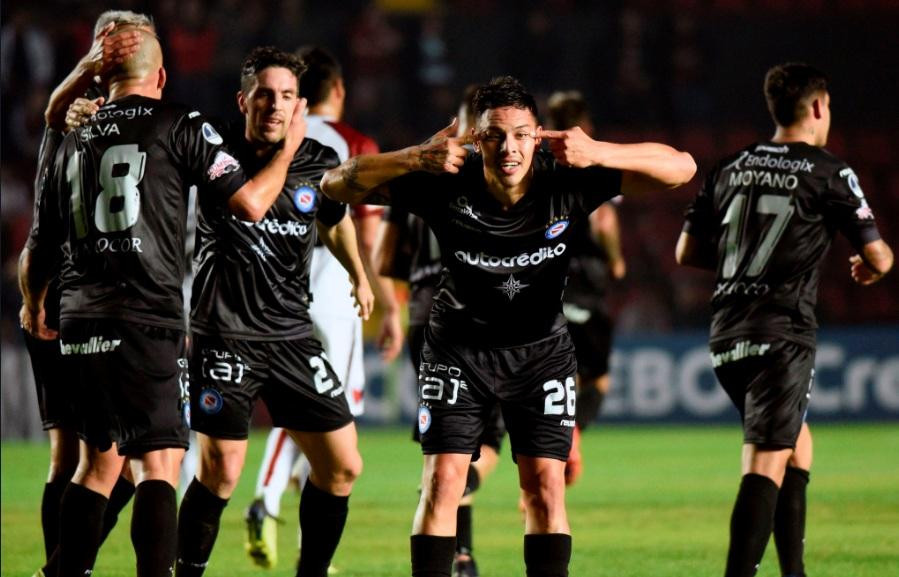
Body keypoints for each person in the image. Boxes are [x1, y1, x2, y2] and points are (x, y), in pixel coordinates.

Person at [322, 75, 696, 577]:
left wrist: (598, 150)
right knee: (443, 483)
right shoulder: (443, 180)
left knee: (544, 488)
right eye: (495, 135)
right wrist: (413, 156)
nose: (509, 148)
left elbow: (682, 169)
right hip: (458, 351)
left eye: (521, 134)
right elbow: (335, 184)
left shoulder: (565, 179)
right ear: (476, 139)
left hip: (541, 355)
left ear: (538, 134)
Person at [19, 24, 306, 577]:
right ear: (162, 75)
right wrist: (290, 148)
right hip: (144, 318)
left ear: (103, 76)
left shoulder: (71, 133)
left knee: (95, 466)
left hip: (79, 319)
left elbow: (40, 242)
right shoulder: (181, 123)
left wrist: (35, 305)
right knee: (160, 465)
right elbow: (251, 203)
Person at [675, 62, 893, 577]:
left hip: (726, 333)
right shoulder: (829, 171)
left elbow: (687, 250)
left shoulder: (729, 166)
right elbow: (880, 257)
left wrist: (742, 265)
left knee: (798, 445)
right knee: (766, 461)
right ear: (818, 107)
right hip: (782, 332)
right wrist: (871, 265)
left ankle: (793, 571)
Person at [175, 47, 371, 577]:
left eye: (286, 96)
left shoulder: (320, 160)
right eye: (264, 94)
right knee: (220, 472)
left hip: (290, 335)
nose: (275, 105)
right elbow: (256, 202)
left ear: (300, 103)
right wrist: (286, 150)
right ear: (243, 100)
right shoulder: (218, 153)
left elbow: (334, 218)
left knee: (342, 466)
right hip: (226, 333)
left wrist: (358, 271)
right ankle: (186, 570)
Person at [243, 45, 402, 570]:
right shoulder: (353, 144)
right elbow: (366, 226)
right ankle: (301, 541)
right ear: (338, 91)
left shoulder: (253, 137)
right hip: (331, 290)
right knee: (330, 415)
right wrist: (379, 294)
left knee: (296, 413)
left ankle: (268, 500)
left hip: (266, 293)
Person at [16, 14, 146, 576]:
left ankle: (63, 564)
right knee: (110, 462)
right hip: (78, 299)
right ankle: (64, 565)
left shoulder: (82, 111)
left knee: (91, 460)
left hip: (64, 295)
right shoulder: (81, 112)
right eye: (113, 39)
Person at [375, 84, 505, 577]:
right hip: (475, 317)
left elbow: (386, 257)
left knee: (452, 437)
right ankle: (459, 494)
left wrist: (394, 304)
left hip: (421, 319)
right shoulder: (498, 176)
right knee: (482, 441)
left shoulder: (419, 172)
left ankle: (461, 552)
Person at [545, 90, 626, 485]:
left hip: (549, 291)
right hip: (588, 293)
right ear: (586, 127)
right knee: (596, 379)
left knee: (557, 377)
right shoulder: (593, 164)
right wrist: (615, 258)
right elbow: (605, 221)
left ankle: (556, 440)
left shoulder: (539, 167)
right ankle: (574, 431)